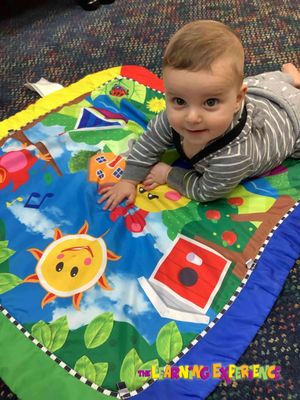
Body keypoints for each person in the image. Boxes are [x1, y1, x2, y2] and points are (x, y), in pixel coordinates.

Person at [99, 20, 300, 211]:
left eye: (210, 102)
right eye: (179, 101)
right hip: (260, 91)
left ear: (238, 100)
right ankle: (290, 77)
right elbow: (149, 142)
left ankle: (292, 79)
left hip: (292, 121)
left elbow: (206, 190)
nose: (192, 117)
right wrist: (128, 180)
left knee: (264, 85)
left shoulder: (235, 157)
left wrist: (169, 174)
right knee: (259, 82)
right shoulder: (172, 118)